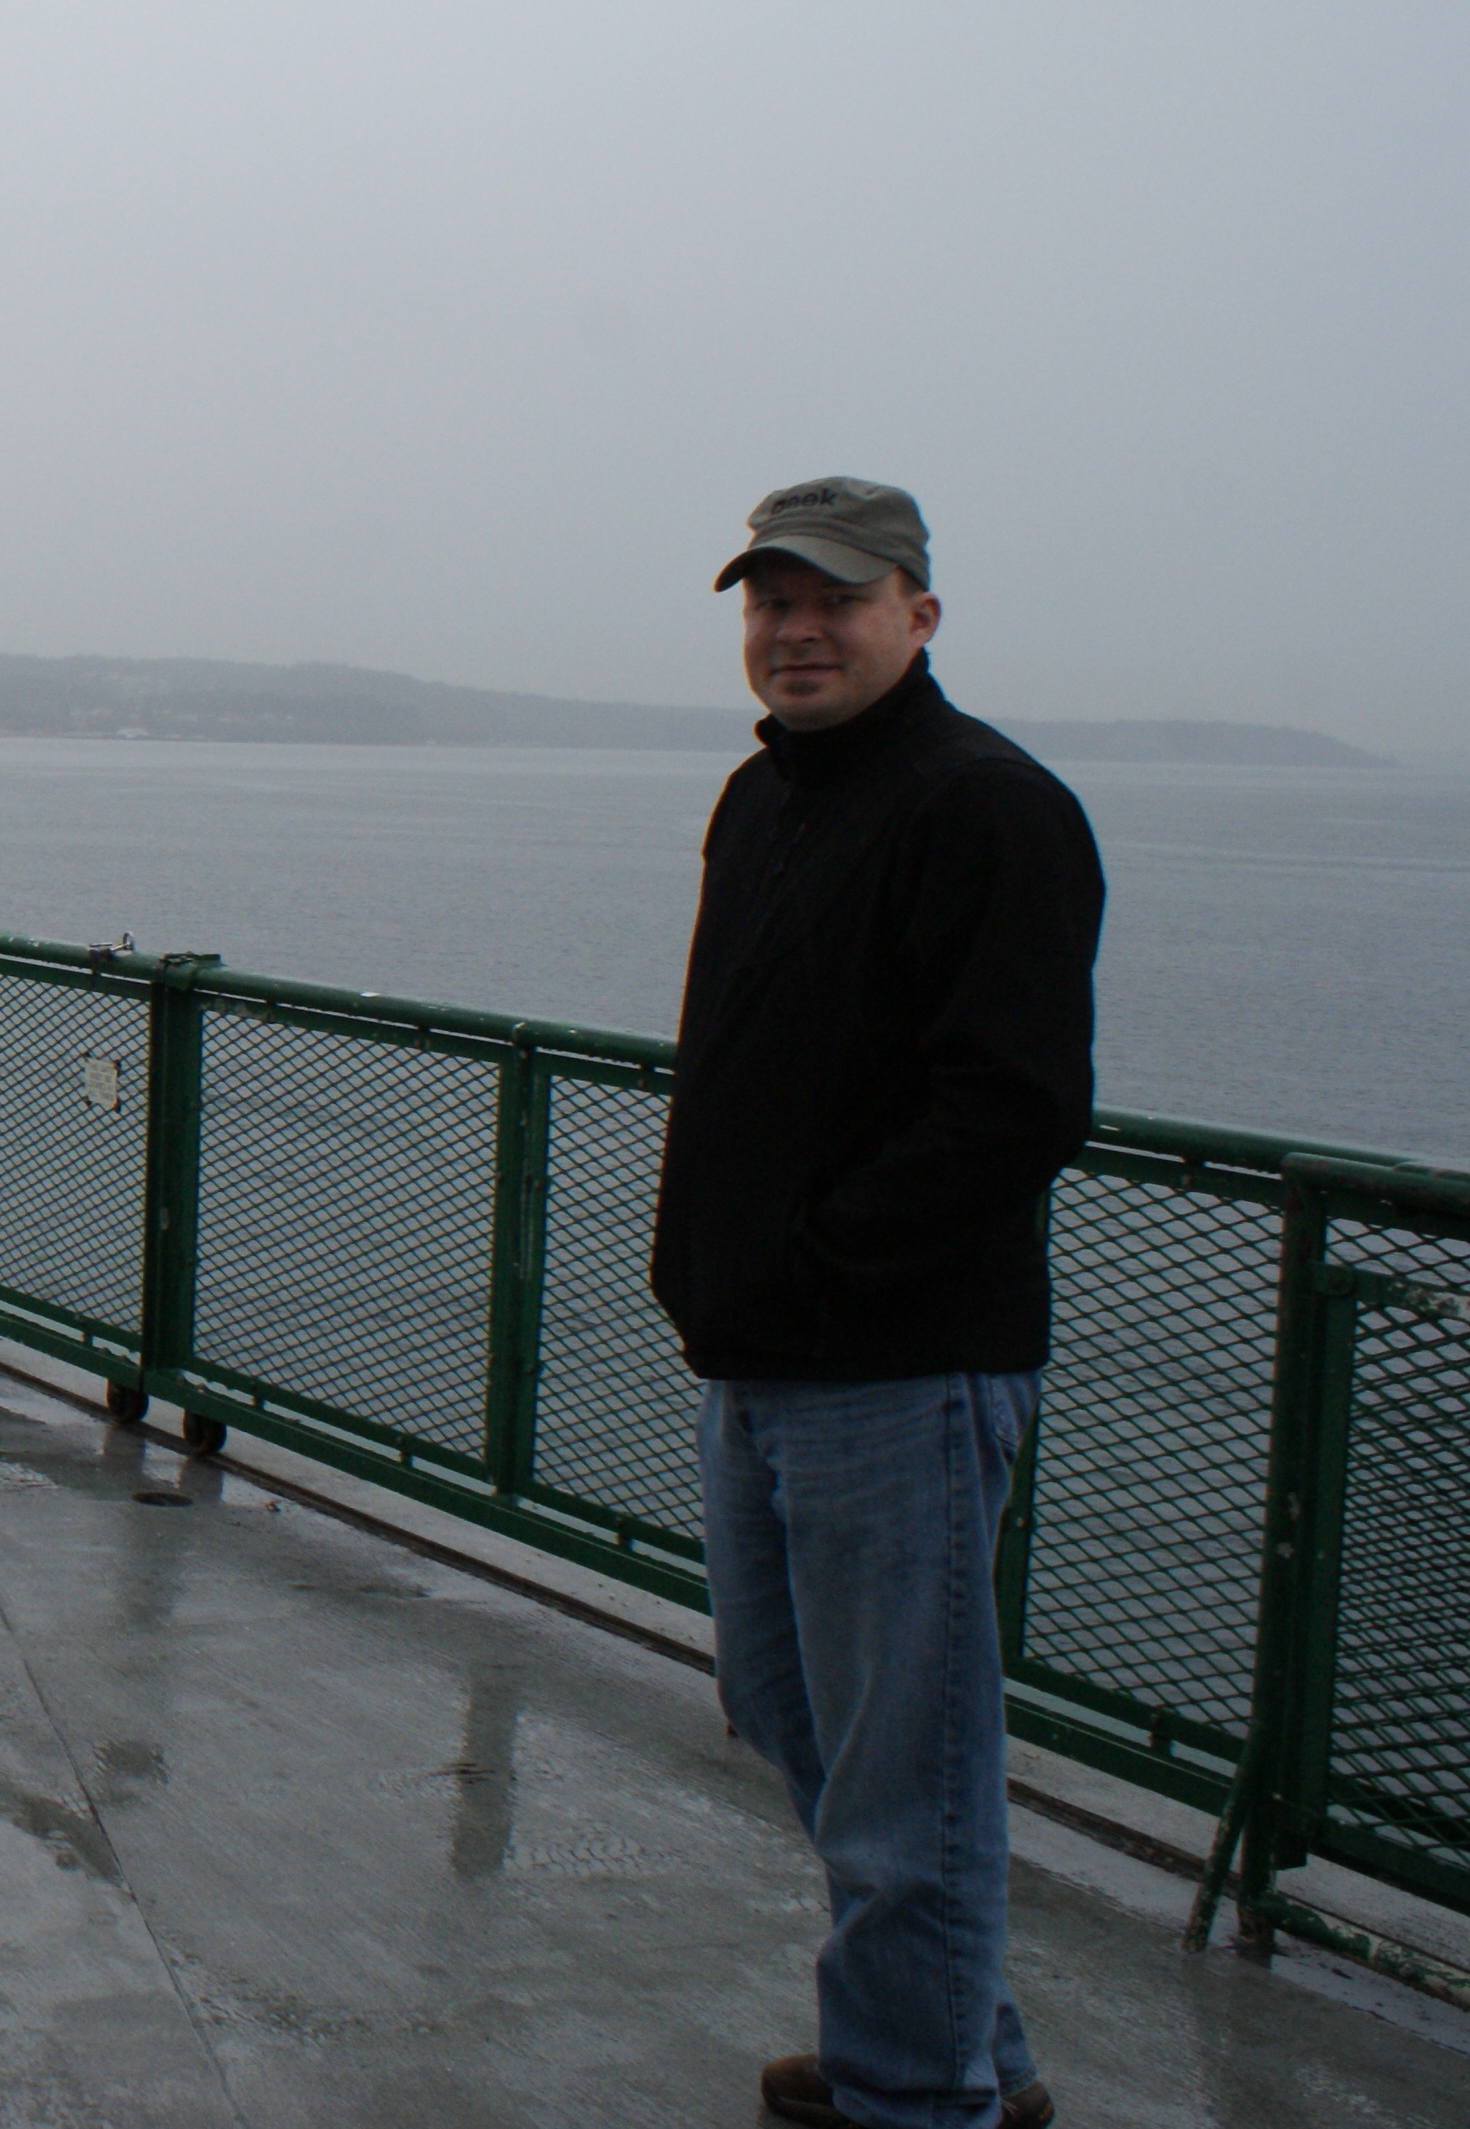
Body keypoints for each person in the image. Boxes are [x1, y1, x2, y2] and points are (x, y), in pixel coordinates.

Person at [649, 480, 1104, 2129]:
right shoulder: (764, 800)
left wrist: (822, 1254)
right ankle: (970, 2041)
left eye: (837, 598)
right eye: (771, 600)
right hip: (762, 1349)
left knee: (903, 1766)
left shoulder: (988, 806)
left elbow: (1019, 1100)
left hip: (899, 1361)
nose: (798, 628)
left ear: (919, 612)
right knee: (794, 1715)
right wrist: (718, 1266)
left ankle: (911, 2089)